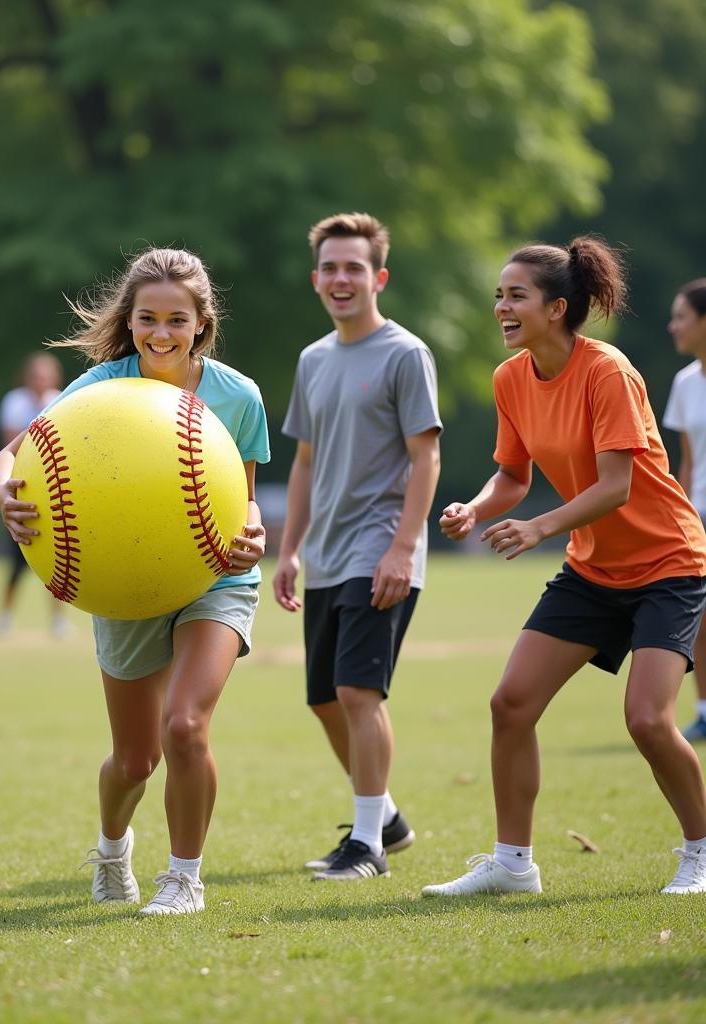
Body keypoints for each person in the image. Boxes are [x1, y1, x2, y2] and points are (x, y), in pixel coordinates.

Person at [423, 237, 706, 898]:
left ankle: (700, 850)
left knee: (647, 719)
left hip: (667, 562)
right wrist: (477, 508)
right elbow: (513, 476)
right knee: (511, 704)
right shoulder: (511, 377)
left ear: (556, 308)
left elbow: (617, 486)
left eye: (515, 295)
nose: (501, 307)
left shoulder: (607, 370)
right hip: (594, 570)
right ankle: (513, 864)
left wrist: (542, 528)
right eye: (499, 295)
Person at [0, 248, 269, 915]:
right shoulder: (99, 387)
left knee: (186, 726)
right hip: (124, 582)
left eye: (178, 319)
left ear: (202, 322)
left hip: (216, 576)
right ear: (131, 318)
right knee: (135, 761)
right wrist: (5, 493)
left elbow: (247, 497)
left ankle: (183, 881)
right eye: (148, 318)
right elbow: (13, 454)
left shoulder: (239, 395)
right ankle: (113, 850)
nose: (162, 333)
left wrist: (253, 531)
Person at [273, 212, 442, 882]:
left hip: (381, 549)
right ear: (316, 279)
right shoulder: (313, 359)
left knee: (357, 692)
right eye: (331, 268)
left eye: (355, 267)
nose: (342, 279)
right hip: (326, 556)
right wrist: (288, 551)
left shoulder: (405, 354)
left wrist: (402, 549)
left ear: (379, 277)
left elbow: (425, 458)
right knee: (323, 698)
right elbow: (305, 462)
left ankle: (367, 844)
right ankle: (389, 819)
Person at [0, 352, 70, 637]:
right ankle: (4, 614)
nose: (41, 380)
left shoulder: (60, 399)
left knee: (61, 556)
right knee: (16, 562)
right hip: (22, 489)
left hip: (53, 492)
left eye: (46, 375)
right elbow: (11, 446)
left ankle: (58, 618)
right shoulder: (15, 402)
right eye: (36, 375)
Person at [662, 279, 706, 742]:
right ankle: (705, 708)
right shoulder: (685, 382)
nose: (673, 326)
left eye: (681, 317)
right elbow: (688, 460)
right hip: (699, 516)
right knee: (701, 622)